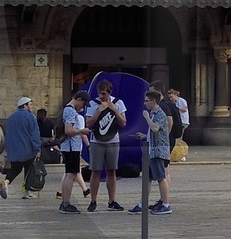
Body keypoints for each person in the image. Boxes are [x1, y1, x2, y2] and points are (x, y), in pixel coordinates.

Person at [133, 86, 173, 216]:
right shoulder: (154, 114)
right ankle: (142, 203)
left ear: (153, 101)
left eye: (146, 101)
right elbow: (155, 132)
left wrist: (146, 118)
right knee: (148, 177)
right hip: (152, 149)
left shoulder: (160, 114)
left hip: (158, 151)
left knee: (161, 177)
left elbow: (156, 128)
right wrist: (145, 136)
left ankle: (166, 204)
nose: (145, 104)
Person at [87, 78, 125, 212]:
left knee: (111, 171)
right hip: (97, 141)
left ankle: (112, 200)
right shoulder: (92, 103)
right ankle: (93, 200)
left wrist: (114, 110)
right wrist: (99, 110)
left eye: (104, 93)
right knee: (95, 171)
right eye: (100, 93)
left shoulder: (118, 103)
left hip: (113, 140)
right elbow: (89, 123)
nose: (101, 96)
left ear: (109, 92)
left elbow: (123, 123)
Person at [57, 84, 89, 213]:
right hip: (72, 147)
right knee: (71, 174)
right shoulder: (70, 111)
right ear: (79, 99)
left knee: (68, 174)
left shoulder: (67, 109)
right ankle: (66, 203)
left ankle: (64, 202)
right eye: (83, 104)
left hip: (68, 147)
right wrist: (82, 130)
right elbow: (68, 130)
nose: (83, 107)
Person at [1, 97, 42, 198]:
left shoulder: (11, 118)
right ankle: (26, 192)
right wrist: (37, 148)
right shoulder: (30, 117)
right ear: (25, 105)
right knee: (29, 170)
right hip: (27, 149)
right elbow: (34, 135)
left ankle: (6, 182)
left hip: (14, 149)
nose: (32, 107)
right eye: (30, 104)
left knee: (16, 169)